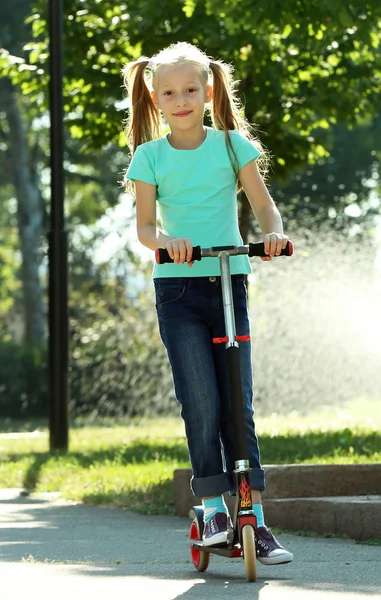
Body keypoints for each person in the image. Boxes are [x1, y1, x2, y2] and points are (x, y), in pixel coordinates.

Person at [123, 42, 293, 566]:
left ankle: (257, 523)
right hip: (177, 288)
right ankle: (215, 508)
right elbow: (145, 228)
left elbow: (262, 204)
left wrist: (273, 235)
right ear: (154, 98)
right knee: (200, 399)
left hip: (228, 280)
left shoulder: (231, 146)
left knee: (238, 404)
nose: (181, 100)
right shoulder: (149, 156)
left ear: (208, 91)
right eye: (169, 92)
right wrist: (165, 242)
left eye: (190, 90)